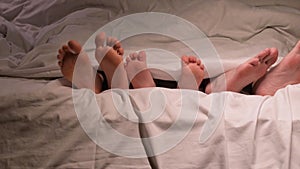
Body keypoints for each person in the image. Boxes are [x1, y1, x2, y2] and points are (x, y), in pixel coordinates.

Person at [57, 32, 300, 96]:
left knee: (115, 88)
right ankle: (230, 86)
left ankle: (107, 81)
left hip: (136, 84)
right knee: (209, 86)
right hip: (208, 82)